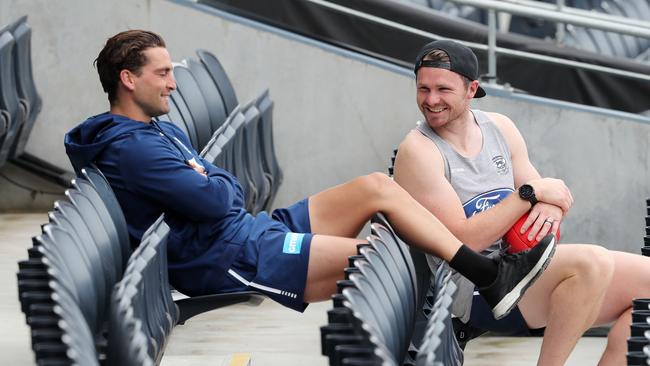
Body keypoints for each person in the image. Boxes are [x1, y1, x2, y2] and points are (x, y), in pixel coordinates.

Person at [64, 30, 554, 323]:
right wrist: (211, 179)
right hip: (232, 255)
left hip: (249, 230)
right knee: (386, 260)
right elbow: (217, 198)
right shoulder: (133, 147)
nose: (173, 82)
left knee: (376, 188)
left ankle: (483, 273)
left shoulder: (152, 130)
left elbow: (220, 186)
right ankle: (486, 276)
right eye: (162, 73)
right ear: (128, 80)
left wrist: (210, 178)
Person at [394, 39, 650, 366]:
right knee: (591, 261)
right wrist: (527, 196)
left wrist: (546, 201)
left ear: (471, 89)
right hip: (473, 289)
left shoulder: (500, 127)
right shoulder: (418, 151)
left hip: (526, 270)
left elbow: (549, 198)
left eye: (443, 89)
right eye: (423, 89)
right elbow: (461, 243)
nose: (431, 100)